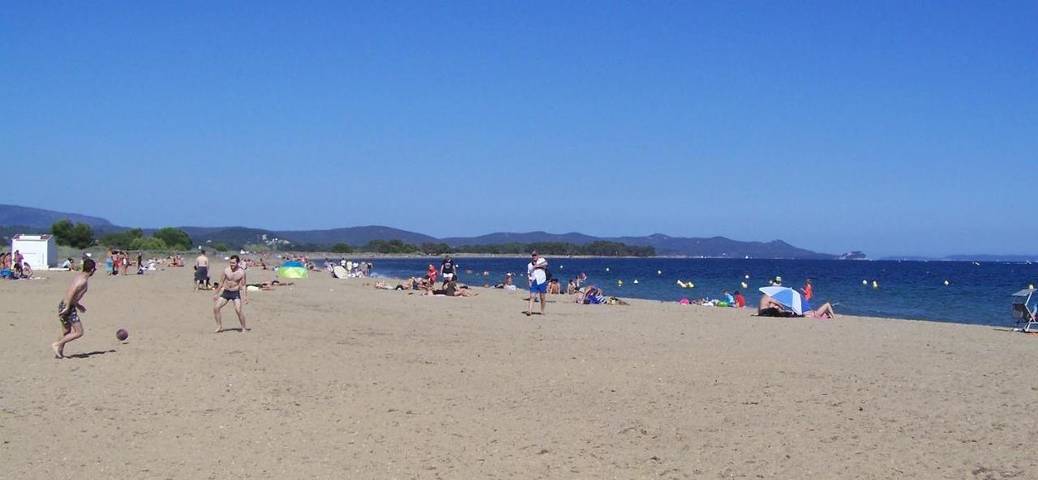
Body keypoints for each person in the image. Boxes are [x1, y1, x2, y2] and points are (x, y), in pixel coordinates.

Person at [52, 258, 96, 358]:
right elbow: (72, 292)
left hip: (64, 305)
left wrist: (78, 305)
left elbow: (73, 294)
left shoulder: (80, 276)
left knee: (66, 331)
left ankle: (58, 352)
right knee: (79, 332)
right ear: (92, 270)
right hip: (67, 307)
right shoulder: (82, 280)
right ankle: (57, 344)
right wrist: (68, 307)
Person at [213, 255, 249, 333]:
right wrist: (216, 293)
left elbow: (243, 285)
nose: (231, 264)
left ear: (238, 263)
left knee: (238, 310)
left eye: (233, 263)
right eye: (230, 263)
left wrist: (245, 297)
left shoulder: (242, 272)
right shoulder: (226, 270)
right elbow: (221, 282)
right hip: (226, 292)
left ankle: (243, 327)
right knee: (216, 308)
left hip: (235, 293)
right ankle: (219, 326)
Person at [526, 251, 548, 316]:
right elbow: (529, 274)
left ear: (538, 255)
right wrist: (529, 282)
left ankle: (542, 311)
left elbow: (546, 264)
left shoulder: (541, 260)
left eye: (535, 255)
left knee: (542, 297)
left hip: (542, 281)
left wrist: (538, 265)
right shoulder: (529, 265)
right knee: (532, 296)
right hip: (534, 281)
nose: (534, 256)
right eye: (533, 255)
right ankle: (529, 311)